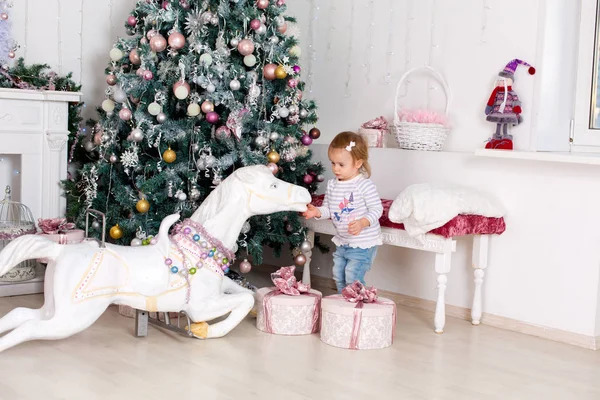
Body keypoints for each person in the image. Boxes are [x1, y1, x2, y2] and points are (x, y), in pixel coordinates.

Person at [303, 131, 383, 293]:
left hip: (363, 242)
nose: (335, 169)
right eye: (333, 163)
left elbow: (377, 209)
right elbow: (329, 210)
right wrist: (317, 212)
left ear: (358, 163)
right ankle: (343, 305)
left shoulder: (364, 185)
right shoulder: (333, 184)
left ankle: (355, 307)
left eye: (341, 165)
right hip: (344, 240)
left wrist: (362, 222)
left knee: (352, 276)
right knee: (338, 275)